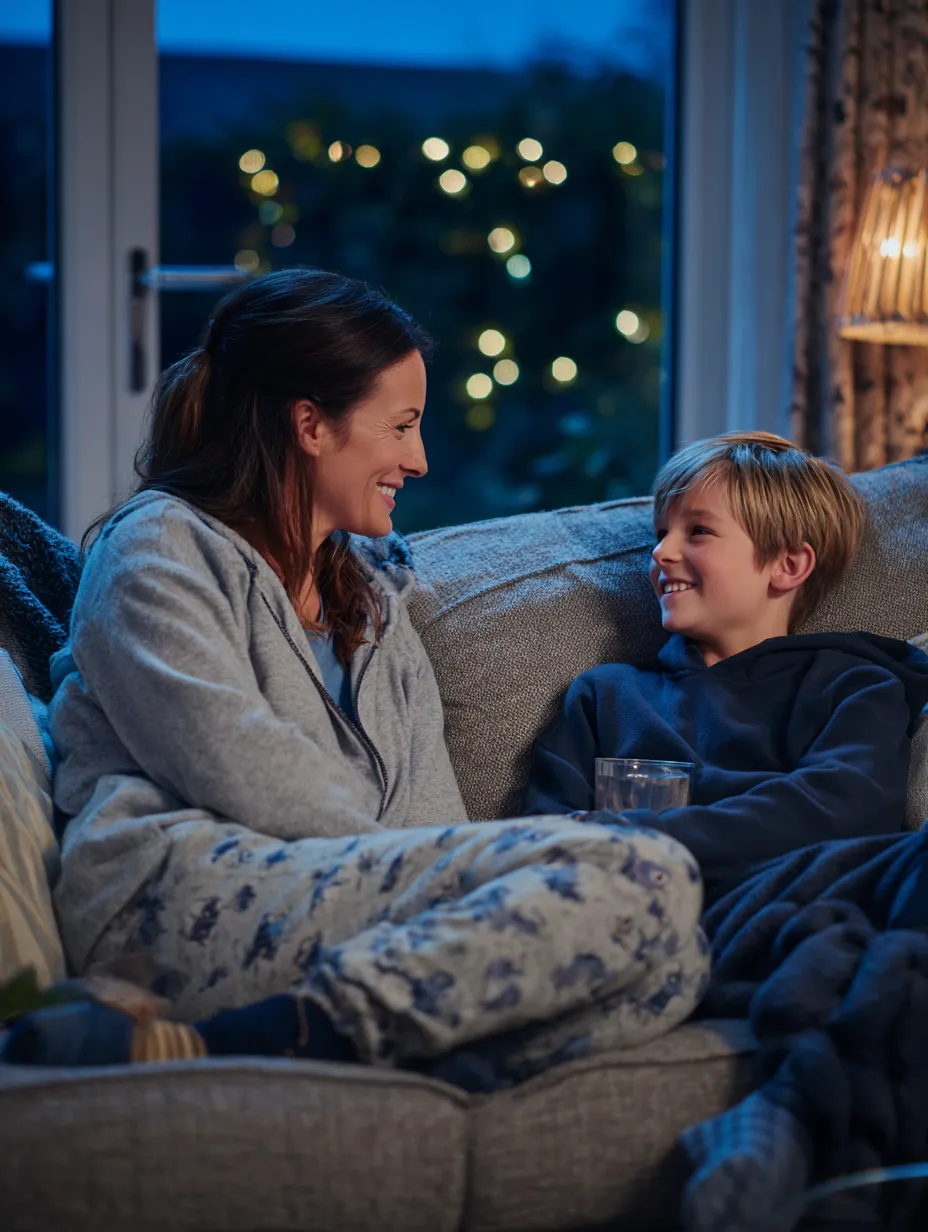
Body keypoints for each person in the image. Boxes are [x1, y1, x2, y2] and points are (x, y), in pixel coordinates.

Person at [3, 269, 707, 1081]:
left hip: (339, 896)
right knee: (643, 874)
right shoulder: (158, 547)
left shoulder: (371, 599)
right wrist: (441, 885)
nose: (419, 458)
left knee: (675, 961)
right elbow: (236, 762)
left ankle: (307, 1040)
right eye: (401, 426)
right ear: (311, 424)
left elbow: (429, 807)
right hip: (170, 902)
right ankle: (263, 1037)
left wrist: (437, 882)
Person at [525, 431, 928, 908]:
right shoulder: (605, 696)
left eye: (698, 531)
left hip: (795, 909)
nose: (661, 553)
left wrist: (629, 834)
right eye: (661, 534)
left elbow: (839, 809)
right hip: (633, 921)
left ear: (788, 564)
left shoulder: (853, 686)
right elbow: (543, 840)